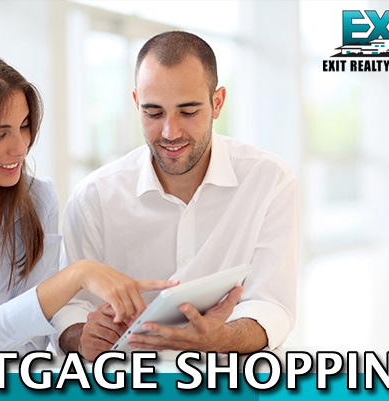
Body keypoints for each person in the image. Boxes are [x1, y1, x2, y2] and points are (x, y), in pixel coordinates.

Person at [0, 50, 175, 360]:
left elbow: (34, 343)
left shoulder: (38, 200)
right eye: (0, 134)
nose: (20, 147)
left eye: (24, 126)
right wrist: (77, 274)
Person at [54, 31, 299, 361]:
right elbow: (69, 308)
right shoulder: (94, 198)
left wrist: (221, 337)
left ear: (217, 102)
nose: (170, 133)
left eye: (188, 111)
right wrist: (81, 336)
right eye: (153, 113)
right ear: (136, 103)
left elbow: (272, 304)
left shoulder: (268, 180)